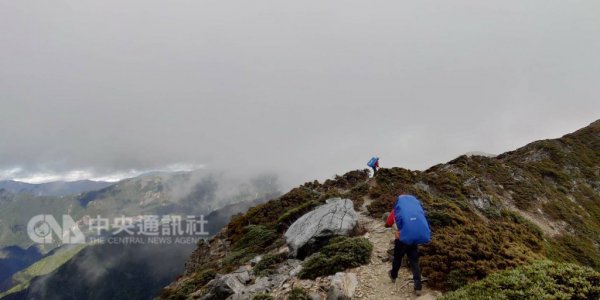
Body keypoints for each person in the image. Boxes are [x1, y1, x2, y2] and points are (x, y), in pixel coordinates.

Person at [385, 194, 431, 295]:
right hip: (413, 239)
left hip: (401, 239)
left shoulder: (397, 210)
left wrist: (388, 225)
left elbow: (388, 222)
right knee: (414, 262)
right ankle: (418, 287)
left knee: (397, 258)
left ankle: (393, 276)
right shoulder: (415, 209)